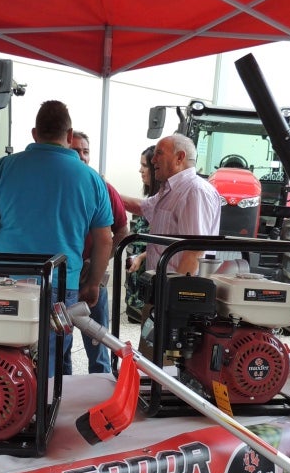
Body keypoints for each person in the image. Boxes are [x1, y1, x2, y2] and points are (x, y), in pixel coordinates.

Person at [0, 101, 113, 378]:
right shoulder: (91, 179)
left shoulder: (4, 168)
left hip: (6, 283)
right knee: (53, 362)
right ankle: (51, 416)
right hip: (60, 285)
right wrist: (92, 284)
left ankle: (13, 416)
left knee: (5, 359)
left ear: (34, 133)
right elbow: (105, 239)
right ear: (69, 137)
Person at [68, 130, 129, 373]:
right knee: (61, 341)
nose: (81, 156)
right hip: (63, 275)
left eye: (85, 151)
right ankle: (63, 393)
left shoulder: (102, 186)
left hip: (92, 277)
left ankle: (101, 390)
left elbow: (122, 231)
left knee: (98, 340)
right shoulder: (55, 186)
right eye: (75, 150)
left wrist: (97, 264)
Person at [121, 133, 221, 277]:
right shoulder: (170, 190)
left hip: (175, 290)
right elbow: (141, 207)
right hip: (162, 285)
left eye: (159, 154)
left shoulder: (194, 191)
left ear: (179, 157)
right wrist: (104, 190)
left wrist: (172, 294)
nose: (153, 160)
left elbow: (194, 252)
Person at [124, 145, 161, 323]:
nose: (140, 170)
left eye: (144, 165)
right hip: (138, 280)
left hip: (149, 276)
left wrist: (141, 257)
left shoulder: (162, 201)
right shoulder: (153, 198)